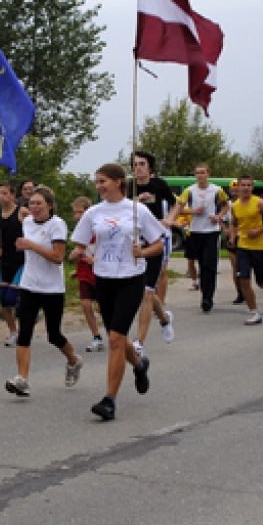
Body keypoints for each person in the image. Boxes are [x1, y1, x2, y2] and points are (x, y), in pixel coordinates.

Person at [70, 163, 165, 421]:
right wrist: (77, 253)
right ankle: (139, 364)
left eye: (104, 181)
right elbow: (81, 242)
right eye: (97, 181)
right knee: (118, 339)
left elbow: (159, 244)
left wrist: (142, 252)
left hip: (131, 278)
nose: (100, 186)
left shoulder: (137, 210)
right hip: (104, 279)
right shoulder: (93, 213)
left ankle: (109, 400)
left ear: (119, 181)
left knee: (114, 338)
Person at [5, 186, 83, 396]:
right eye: (32, 203)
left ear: (49, 205)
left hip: (52, 288)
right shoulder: (28, 222)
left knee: (54, 335)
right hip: (30, 284)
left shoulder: (57, 225)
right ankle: (22, 379)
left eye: (40, 203)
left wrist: (30, 245)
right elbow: (18, 213)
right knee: (25, 332)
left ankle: (73, 361)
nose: (35, 207)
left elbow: (58, 257)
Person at [132, 151, 177, 357]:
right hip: (136, 242)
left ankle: (139, 342)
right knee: (144, 290)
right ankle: (165, 318)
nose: (138, 168)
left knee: (147, 292)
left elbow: (178, 203)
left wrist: (169, 218)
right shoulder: (129, 187)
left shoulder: (159, 185)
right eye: (135, 165)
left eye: (142, 164)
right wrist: (136, 202)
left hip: (158, 239)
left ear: (150, 167)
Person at [176, 162, 229, 312]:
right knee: (200, 264)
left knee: (209, 265)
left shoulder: (217, 190)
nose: (200, 175)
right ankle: (204, 290)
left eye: (203, 172)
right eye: (197, 173)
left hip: (211, 232)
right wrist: (193, 212)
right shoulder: (189, 191)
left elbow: (226, 205)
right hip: (195, 232)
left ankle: (207, 298)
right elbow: (179, 209)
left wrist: (219, 216)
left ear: (208, 174)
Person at [230, 174, 263, 325]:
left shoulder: (259, 203)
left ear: (252, 187)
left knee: (261, 282)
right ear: (238, 187)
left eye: (249, 185)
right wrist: (233, 238)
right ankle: (254, 312)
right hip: (243, 246)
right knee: (243, 279)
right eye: (243, 185)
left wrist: (259, 230)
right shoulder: (235, 206)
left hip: (259, 247)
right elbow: (234, 223)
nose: (246, 188)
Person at [0, 181, 29, 346]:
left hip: (21, 261)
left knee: (13, 297)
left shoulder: (22, 212)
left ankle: (27, 320)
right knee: (4, 301)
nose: (2, 197)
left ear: (13, 195)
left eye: (5, 193)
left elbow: (36, 228)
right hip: (5, 262)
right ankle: (14, 332)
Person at [71, 197, 105, 352]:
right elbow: (81, 251)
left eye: (81, 212)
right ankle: (96, 337)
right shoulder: (79, 231)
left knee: (100, 307)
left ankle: (115, 331)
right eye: (75, 213)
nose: (78, 216)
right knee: (85, 305)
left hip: (100, 272)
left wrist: (96, 259)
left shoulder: (99, 228)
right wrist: (76, 269)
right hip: (84, 271)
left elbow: (107, 249)